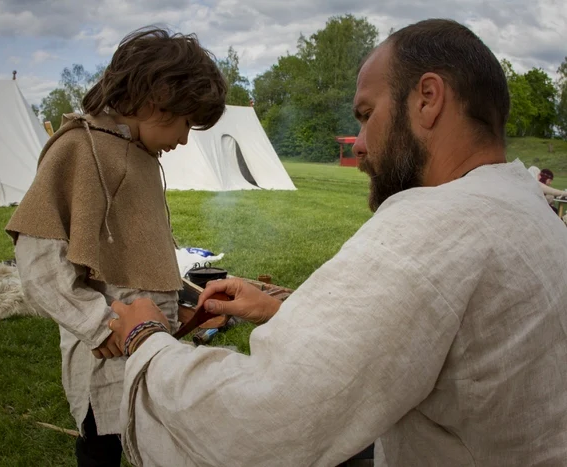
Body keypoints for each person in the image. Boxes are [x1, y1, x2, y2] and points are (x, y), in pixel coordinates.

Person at [107, 19, 567, 466]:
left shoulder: (436, 222)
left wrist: (146, 339)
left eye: (367, 116)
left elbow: (264, 423)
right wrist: (281, 309)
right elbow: (436, 346)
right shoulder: (524, 206)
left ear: (428, 98)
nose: (361, 143)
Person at [5, 28, 226, 467]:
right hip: (107, 353)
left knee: (154, 436)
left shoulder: (140, 155)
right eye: (185, 122)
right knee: (100, 446)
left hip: (149, 345)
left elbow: (142, 250)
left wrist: (180, 301)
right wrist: (98, 322)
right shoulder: (79, 150)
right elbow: (39, 264)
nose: (184, 139)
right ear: (155, 99)